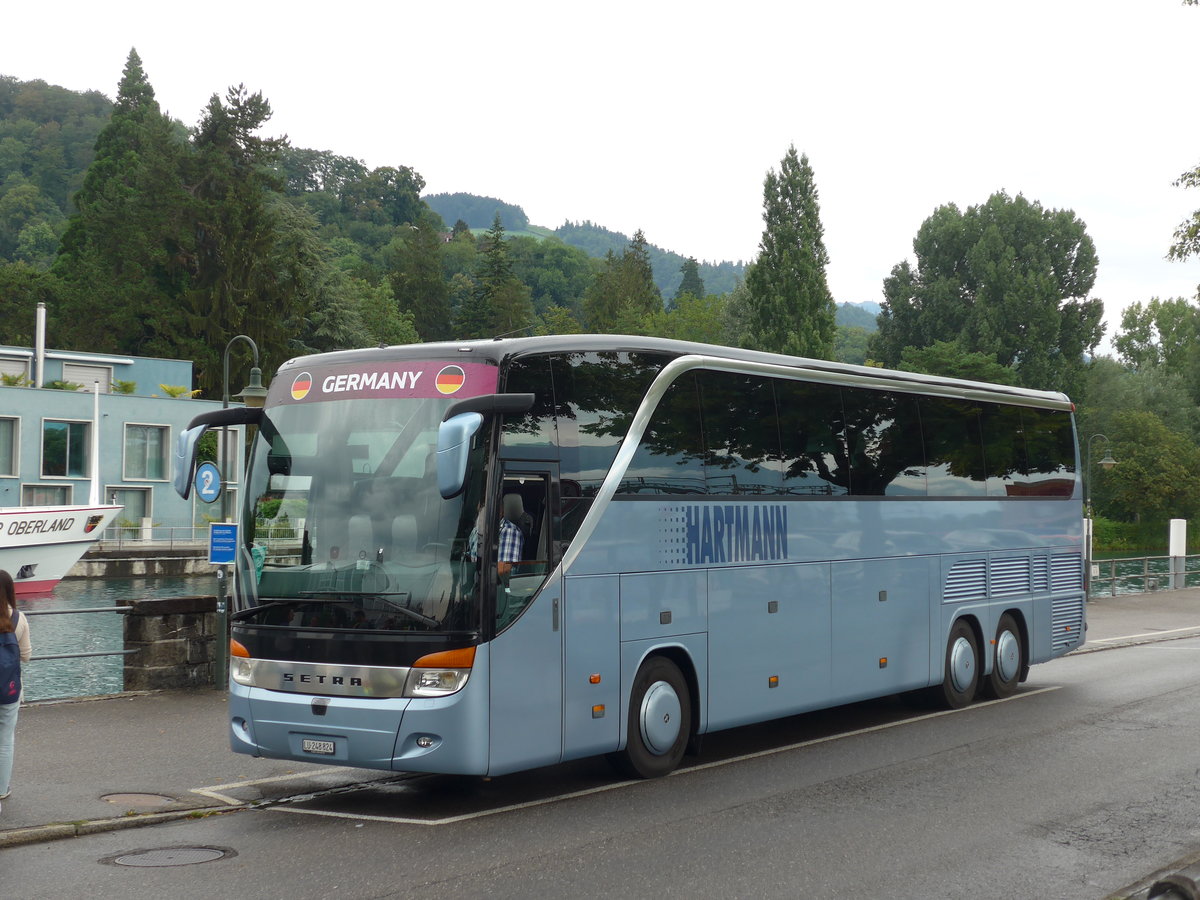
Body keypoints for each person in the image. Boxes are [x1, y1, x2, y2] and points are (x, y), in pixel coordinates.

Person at [0, 569, 30, 814]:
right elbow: (27, 655)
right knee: (5, 741)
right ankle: (1, 789)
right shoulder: (19, 618)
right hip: (8, 690)